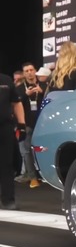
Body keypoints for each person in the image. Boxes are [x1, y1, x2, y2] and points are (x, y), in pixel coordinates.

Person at [14, 62, 44, 188]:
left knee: (42, 150)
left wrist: (42, 93)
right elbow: (15, 104)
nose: (29, 72)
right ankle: (32, 177)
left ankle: (44, 175)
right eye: (26, 71)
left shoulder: (43, 85)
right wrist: (25, 95)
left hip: (42, 123)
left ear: (35, 71)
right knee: (26, 152)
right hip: (26, 124)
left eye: (31, 70)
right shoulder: (20, 89)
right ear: (24, 73)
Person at [0, 71, 27, 210]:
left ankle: (8, 199)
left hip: (5, 127)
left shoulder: (6, 79)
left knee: (7, 164)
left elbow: (16, 103)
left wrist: (22, 125)